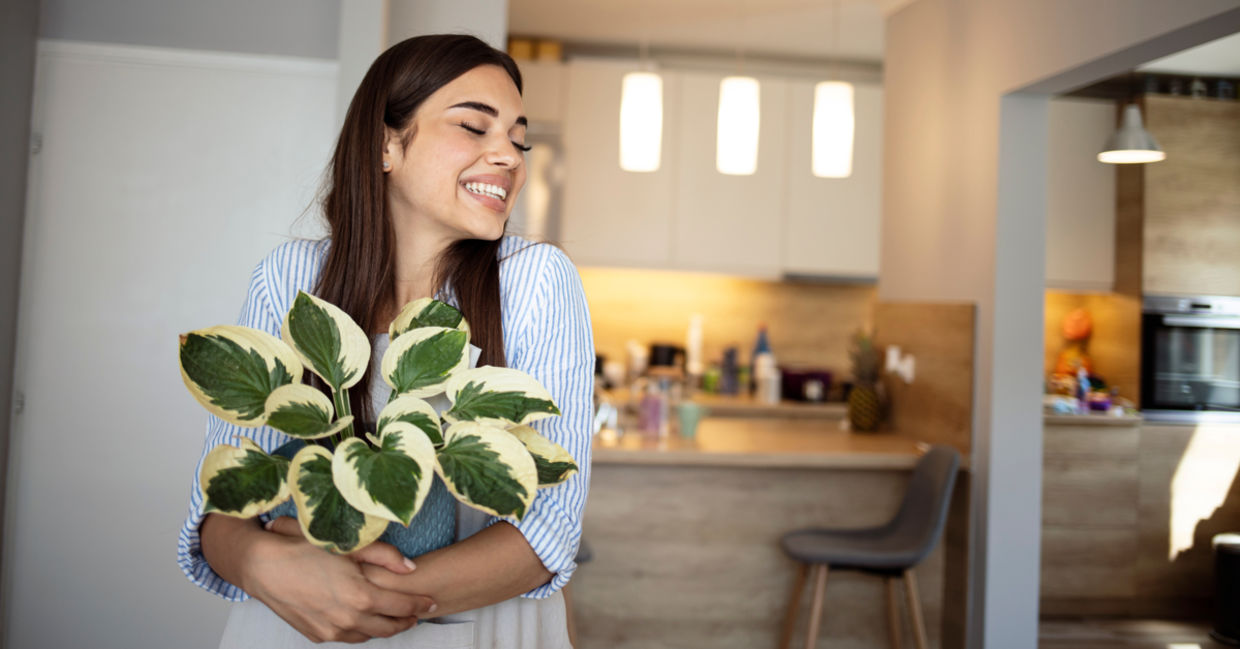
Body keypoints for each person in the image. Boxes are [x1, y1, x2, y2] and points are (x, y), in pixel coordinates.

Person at [176, 34, 594, 648]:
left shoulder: (534, 281)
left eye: (518, 137)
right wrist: (264, 566)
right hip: (292, 626)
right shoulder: (292, 277)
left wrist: (357, 596)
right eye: (475, 128)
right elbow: (221, 507)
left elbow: (548, 531)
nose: (509, 155)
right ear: (385, 146)